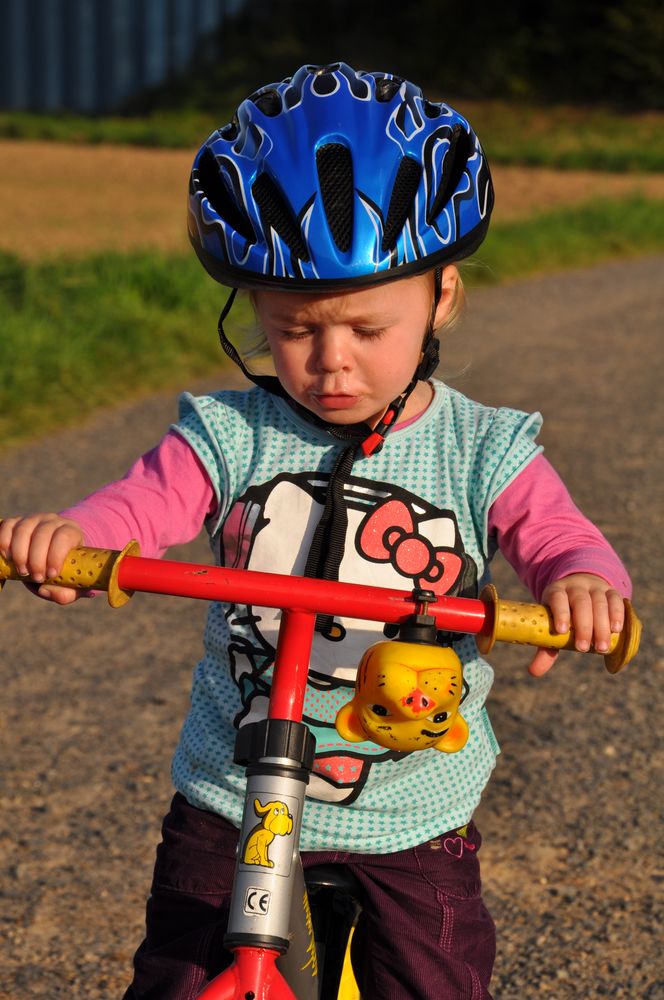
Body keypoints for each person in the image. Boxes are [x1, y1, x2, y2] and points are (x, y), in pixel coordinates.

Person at [0, 64, 631, 999]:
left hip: (410, 803)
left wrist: (580, 582)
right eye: (293, 329)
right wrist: (76, 540)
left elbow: (558, 533)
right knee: (180, 974)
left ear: (442, 297)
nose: (331, 363)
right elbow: (140, 506)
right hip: (233, 790)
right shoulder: (231, 435)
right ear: (251, 306)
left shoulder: (482, 447)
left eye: (368, 328)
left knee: (433, 983)